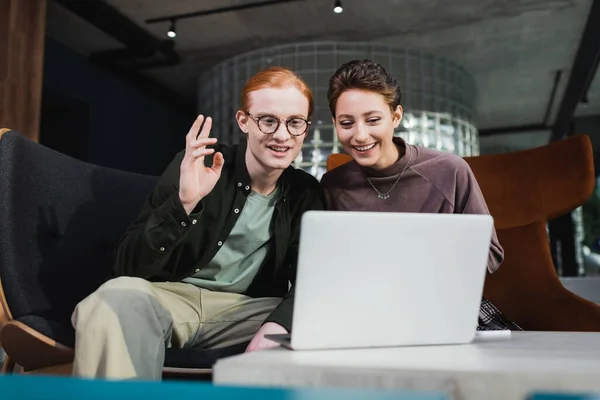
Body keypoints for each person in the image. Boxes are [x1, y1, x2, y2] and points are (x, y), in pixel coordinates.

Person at [71, 66, 325, 379]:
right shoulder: (197, 164)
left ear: (306, 128)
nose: (282, 135)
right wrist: (184, 204)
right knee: (112, 300)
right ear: (243, 121)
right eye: (268, 120)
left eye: (294, 123)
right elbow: (127, 267)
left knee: (319, 323)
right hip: (172, 298)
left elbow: (311, 281)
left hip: (248, 311)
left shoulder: (307, 192)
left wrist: (278, 325)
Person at [321, 59, 521, 331]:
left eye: (373, 120)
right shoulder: (332, 185)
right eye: (346, 123)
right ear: (334, 123)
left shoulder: (449, 170)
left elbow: (491, 253)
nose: (360, 135)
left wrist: (426, 261)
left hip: (441, 307)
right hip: (367, 312)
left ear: (396, 116)